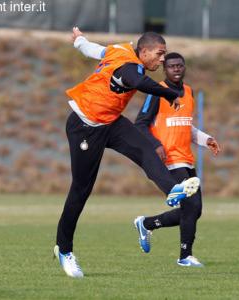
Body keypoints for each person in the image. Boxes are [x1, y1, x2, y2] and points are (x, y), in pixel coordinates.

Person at [54, 28, 201, 278]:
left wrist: (79, 41)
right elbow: (139, 82)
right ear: (143, 52)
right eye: (160, 53)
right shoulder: (129, 67)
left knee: (146, 149)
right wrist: (169, 93)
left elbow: (95, 50)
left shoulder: (118, 48)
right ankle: (64, 249)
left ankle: (172, 190)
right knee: (80, 190)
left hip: (111, 122)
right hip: (85, 126)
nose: (163, 60)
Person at [133, 52, 221, 267]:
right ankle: (185, 257)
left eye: (180, 65)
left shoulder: (189, 92)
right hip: (171, 160)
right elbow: (141, 123)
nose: (176, 69)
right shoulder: (156, 92)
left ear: (184, 67)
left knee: (195, 210)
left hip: (187, 159)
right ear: (165, 69)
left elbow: (184, 125)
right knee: (191, 207)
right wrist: (156, 145)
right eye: (172, 66)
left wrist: (205, 139)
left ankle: (146, 223)